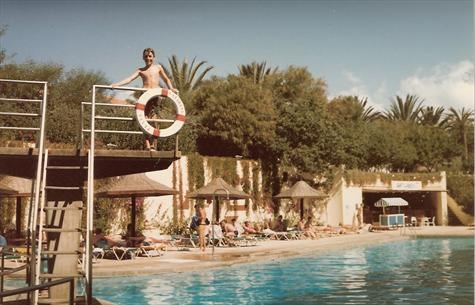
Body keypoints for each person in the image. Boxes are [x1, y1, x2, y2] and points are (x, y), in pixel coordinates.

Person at [111, 48, 178, 150]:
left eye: (150, 56)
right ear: (143, 57)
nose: (148, 58)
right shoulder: (140, 70)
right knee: (144, 119)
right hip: (145, 96)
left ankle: (154, 145)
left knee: (155, 120)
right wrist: (116, 84)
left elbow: (166, 79)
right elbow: (129, 79)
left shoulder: (158, 67)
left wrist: (171, 88)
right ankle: (147, 144)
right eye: (146, 56)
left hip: (155, 96)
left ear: (153, 57)